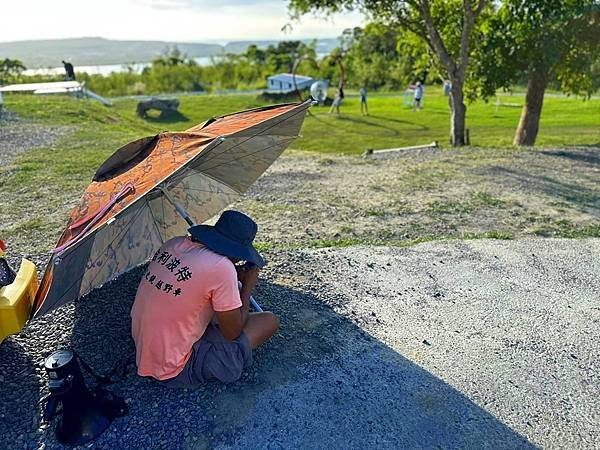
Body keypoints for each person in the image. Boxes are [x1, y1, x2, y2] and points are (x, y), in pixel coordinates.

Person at [131, 210, 279, 387]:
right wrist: (247, 286)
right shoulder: (221, 268)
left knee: (216, 303)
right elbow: (232, 333)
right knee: (268, 321)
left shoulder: (173, 243)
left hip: (145, 348)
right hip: (174, 369)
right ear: (238, 252)